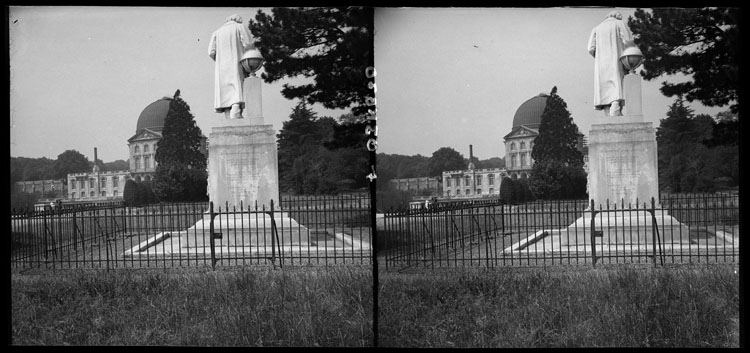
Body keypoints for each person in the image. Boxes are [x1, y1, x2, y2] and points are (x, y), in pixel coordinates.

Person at [587, 11, 634, 117]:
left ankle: (609, 114)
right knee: (616, 84)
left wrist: (599, 56)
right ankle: (615, 110)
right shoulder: (619, 23)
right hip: (616, 59)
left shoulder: (597, 28)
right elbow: (628, 41)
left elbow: (590, 48)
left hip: (601, 64)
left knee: (605, 88)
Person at [209, 14, 254, 119]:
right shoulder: (239, 26)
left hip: (221, 67)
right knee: (237, 87)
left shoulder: (217, 32)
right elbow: (248, 44)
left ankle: (229, 117)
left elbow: (211, 51)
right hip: (236, 62)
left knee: (225, 91)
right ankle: (236, 113)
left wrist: (220, 59)